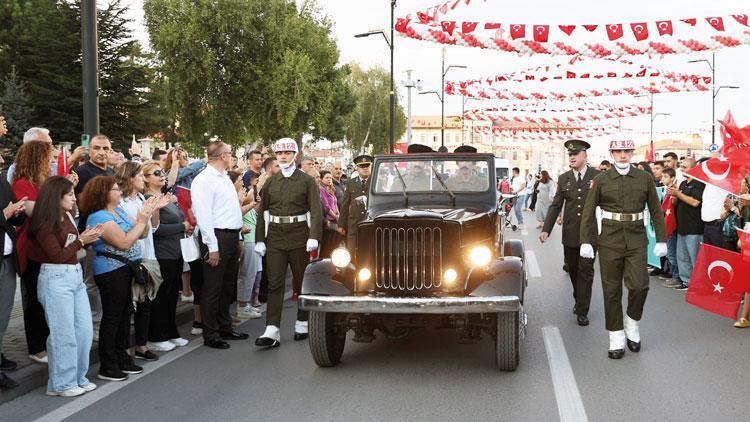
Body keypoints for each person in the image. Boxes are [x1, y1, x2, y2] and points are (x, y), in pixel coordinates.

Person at [579, 139, 666, 360]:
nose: (623, 155)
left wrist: (662, 240)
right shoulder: (601, 180)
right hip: (609, 239)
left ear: (631, 153)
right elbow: (588, 212)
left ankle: (632, 321)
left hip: (637, 239)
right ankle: (616, 336)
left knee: (639, 286)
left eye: (626, 151)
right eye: (618, 151)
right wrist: (586, 241)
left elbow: (656, 211)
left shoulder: (644, 178)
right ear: (612, 153)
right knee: (611, 290)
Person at [30, 176, 103, 397]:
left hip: (75, 275)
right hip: (55, 278)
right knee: (63, 334)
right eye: (70, 194)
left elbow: (73, 250)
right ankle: (62, 383)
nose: (74, 198)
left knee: (84, 331)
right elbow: (57, 255)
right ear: (56, 196)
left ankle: (77, 377)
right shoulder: (44, 223)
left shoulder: (69, 216)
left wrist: (87, 239)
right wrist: (81, 241)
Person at [82, 176, 156, 381]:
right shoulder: (99, 217)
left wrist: (145, 216)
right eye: (115, 190)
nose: (119, 192)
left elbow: (141, 234)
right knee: (113, 316)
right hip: (110, 271)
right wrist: (140, 221)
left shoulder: (118, 211)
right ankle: (108, 364)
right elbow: (124, 242)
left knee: (125, 315)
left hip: (126, 269)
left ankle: (122, 357)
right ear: (103, 193)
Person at [254, 138, 322, 347]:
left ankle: (302, 321)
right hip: (275, 236)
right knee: (274, 282)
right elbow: (262, 213)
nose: (283, 156)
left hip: (299, 235)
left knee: (302, 281)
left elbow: (316, 211)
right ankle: (272, 330)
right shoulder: (271, 182)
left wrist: (314, 236)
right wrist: (260, 239)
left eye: (287, 153)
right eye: (280, 153)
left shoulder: (306, 181)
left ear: (295, 155)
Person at [190, 141, 246, 350]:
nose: (233, 158)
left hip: (231, 235)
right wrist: (212, 247)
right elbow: (203, 215)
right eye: (231, 154)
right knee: (212, 287)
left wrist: (238, 236)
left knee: (227, 285)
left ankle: (225, 326)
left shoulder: (224, 178)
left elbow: (230, 210)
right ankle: (210, 333)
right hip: (216, 237)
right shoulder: (204, 180)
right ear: (223, 156)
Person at [540, 140, 599, 326]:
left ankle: (582, 309)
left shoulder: (597, 176)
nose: (572, 157)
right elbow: (556, 204)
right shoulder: (564, 178)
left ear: (585, 156)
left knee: (586, 271)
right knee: (573, 269)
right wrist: (546, 229)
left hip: (590, 234)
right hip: (571, 233)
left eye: (575, 154)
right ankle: (578, 297)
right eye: (569, 154)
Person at [115, 162, 170, 359]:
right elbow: (129, 230)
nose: (142, 180)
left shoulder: (140, 198)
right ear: (130, 178)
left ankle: (141, 345)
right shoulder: (120, 202)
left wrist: (155, 209)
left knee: (145, 303)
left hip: (148, 255)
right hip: (130, 257)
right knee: (129, 305)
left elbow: (152, 228)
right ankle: (124, 349)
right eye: (139, 176)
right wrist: (142, 218)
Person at [142, 161, 193, 351]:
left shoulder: (165, 197)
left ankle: (171, 332)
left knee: (172, 296)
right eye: (156, 173)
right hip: (162, 253)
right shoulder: (149, 199)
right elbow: (154, 229)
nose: (162, 175)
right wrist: (181, 227)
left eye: (162, 172)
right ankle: (156, 336)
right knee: (161, 297)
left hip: (176, 252)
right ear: (146, 179)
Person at [12, 140, 55, 364]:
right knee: (34, 300)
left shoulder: (44, 182)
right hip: (30, 247)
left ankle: (47, 341)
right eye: (48, 157)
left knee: (46, 298)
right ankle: (36, 347)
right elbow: (33, 210)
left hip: (46, 246)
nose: (51, 161)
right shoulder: (21, 183)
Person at [0, 154, 26, 389]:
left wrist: (18, 211)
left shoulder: (1, 180)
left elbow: (13, 218)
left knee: (3, 314)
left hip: (8, 258)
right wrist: (5, 214)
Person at [229, 170, 262, 320]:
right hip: (245, 239)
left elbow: (250, 213)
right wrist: (244, 201)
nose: (243, 183)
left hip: (251, 238)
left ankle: (245, 304)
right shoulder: (233, 197)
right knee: (246, 274)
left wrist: (254, 203)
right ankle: (242, 306)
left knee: (251, 274)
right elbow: (235, 215)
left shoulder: (242, 196)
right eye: (240, 180)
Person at [669, 158, 704, 290]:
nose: (682, 168)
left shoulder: (699, 184)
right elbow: (676, 203)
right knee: (682, 256)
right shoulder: (683, 183)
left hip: (695, 227)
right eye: (681, 166)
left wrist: (678, 193)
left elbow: (695, 202)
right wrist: (674, 197)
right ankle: (687, 282)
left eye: (686, 166)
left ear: (694, 168)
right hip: (682, 226)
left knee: (695, 258)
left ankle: (698, 285)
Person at [338, 155, 373, 250]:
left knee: (368, 251)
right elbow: (345, 205)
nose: (365, 168)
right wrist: (341, 224)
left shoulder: (376, 182)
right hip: (354, 223)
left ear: (371, 166)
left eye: (367, 165)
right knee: (351, 250)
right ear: (357, 168)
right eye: (362, 166)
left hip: (370, 222)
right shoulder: (350, 183)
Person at [659, 168, 682, 288]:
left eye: (665, 176)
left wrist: (674, 197)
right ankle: (674, 275)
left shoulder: (674, 189)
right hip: (666, 223)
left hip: (672, 225)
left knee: (672, 253)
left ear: (672, 178)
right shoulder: (664, 190)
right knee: (670, 253)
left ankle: (677, 277)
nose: (662, 178)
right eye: (662, 176)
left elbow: (672, 206)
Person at [319, 170, 341, 258]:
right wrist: (335, 216)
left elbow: (335, 204)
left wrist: (339, 215)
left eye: (330, 178)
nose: (329, 180)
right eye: (327, 178)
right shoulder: (321, 190)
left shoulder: (331, 189)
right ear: (321, 179)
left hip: (335, 220)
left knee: (334, 245)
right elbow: (326, 206)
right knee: (328, 245)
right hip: (329, 221)